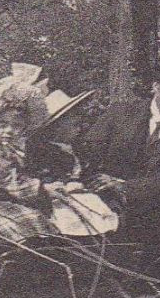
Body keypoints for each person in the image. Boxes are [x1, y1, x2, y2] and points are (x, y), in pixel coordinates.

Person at [76, 58, 160, 281]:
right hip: (106, 226)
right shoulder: (120, 114)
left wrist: (124, 187)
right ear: (155, 86)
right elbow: (87, 154)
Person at [0, 64, 56, 245]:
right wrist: (44, 189)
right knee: (23, 231)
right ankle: (19, 261)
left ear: (24, 128)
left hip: (15, 199)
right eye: (2, 124)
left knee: (45, 225)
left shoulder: (18, 149)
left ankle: (41, 258)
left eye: (15, 126)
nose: (8, 131)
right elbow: (10, 180)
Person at [28, 88, 119, 238]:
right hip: (61, 197)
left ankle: (98, 241)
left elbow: (85, 170)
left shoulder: (76, 148)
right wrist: (60, 185)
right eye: (72, 122)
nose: (79, 126)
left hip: (82, 194)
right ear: (56, 127)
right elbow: (44, 175)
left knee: (100, 214)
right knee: (71, 221)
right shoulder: (46, 151)